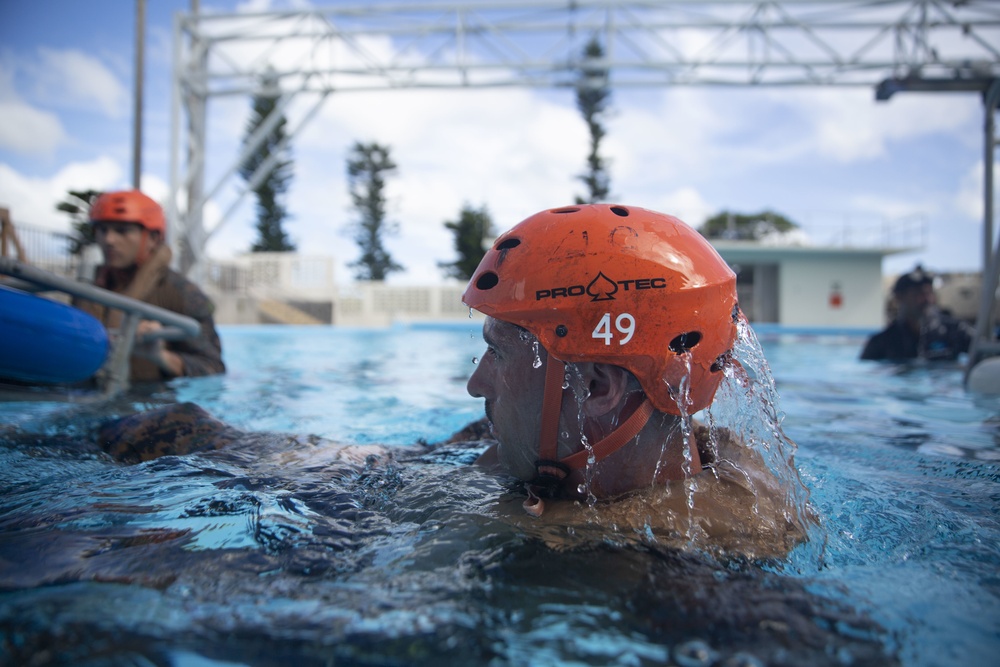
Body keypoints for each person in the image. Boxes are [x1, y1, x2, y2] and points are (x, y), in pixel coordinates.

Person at [463, 203, 812, 556]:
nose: (475, 384)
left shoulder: (689, 578)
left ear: (597, 388)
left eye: (498, 353)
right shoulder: (732, 464)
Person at [73, 189, 225, 381]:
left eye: (122, 230)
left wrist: (161, 357)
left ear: (153, 238)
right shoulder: (87, 287)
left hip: (152, 402)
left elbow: (214, 367)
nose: (109, 240)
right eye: (102, 230)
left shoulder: (182, 293)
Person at [860, 265, 973, 362]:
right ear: (899, 298)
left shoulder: (957, 331)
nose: (926, 299)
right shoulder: (881, 343)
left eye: (929, 293)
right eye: (918, 293)